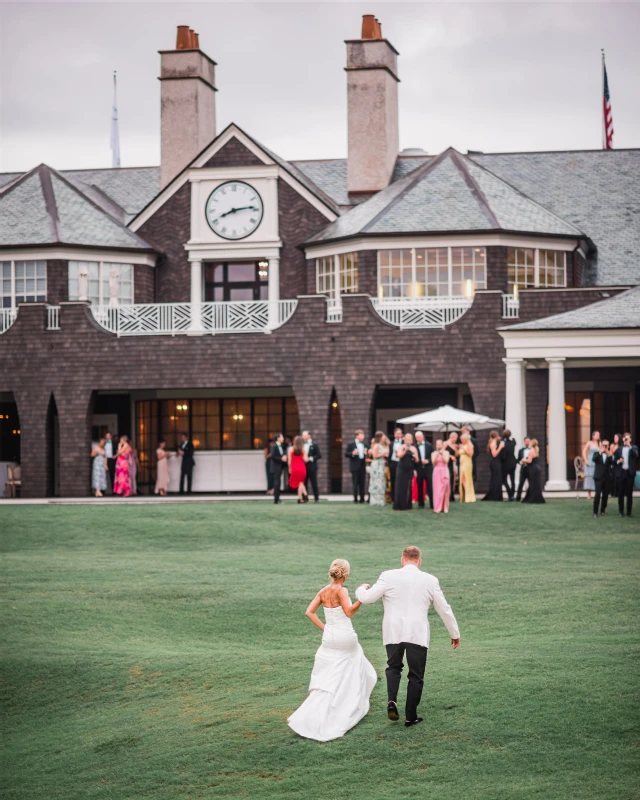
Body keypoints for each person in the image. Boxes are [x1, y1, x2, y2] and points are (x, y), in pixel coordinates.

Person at [356, 546, 460, 728]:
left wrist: (361, 588)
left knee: (393, 667)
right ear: (419, 561)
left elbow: (367, 598)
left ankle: (391, 701)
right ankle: (410, 716)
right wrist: (454, 633)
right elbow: (444, 609)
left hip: (393, 631)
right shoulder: (430, 580)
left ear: (402, 560)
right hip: (417, 633)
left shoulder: (388, 576)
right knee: (416, 675)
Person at [288, 559, 377, 742]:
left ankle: (325, 705)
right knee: (352, 666)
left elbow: (309, 612)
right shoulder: (341, 590)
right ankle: (346, 705)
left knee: (333, 671)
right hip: (345, 636)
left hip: (329, 637)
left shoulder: (323, 591)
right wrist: (362, 597)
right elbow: (349, 612)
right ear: (345, 574)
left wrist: (325, 628)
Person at [613, 433, 638, 518]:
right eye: (624, 438)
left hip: (630, 473)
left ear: (630, 439)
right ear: (623, 439)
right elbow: (614, 461)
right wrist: (618, 461)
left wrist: (629, 446)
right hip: (621, 473)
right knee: (620, 493)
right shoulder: (619, 449)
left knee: (629, 493)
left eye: (627, 439)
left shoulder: (634, 448)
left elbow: (637, 455)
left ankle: (629, 512)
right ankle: (621, 512)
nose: (625, 440)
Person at [393, 433, 419, 511]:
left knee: (408, 486)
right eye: (407, 439)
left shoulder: (414, 448)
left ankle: (407, 505)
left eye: (410, 440)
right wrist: (405, 450)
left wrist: (415, 457)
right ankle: (399, 505)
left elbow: (417, 461)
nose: (408, 441)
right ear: (404, 439)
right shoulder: (401, 447)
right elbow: (399, 456)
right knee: (400, 486)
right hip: (401, 468)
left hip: (409, 469)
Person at [592, 439, 613, 518]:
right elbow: (593, 459)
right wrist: (600, 452)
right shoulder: (597, 453)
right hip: (598, 477)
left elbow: (612, 463)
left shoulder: (609, 454)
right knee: (597, 495)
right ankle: (595, 512)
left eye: (606, 445)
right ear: (601, 445)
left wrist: (609, 454)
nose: (605, 447)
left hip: (607, 478)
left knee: (605, 495)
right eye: (603, 445)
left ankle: (603, 510)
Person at [345, 430, 368, 504]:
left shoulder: (365, 444)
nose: (363, 437)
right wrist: (352, 453)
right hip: (354, 466)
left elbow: (368, 455)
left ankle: (362, 499)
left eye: (363, 435)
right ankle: (355, 499)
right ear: (357, 436)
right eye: (361, 435)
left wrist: (366, 454)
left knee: (362, 483)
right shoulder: (351, 444)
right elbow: (346, 454)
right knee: (355, 483)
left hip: (362, 465)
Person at [482, 431, 504, 501]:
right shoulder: (493, 443)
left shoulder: (494, 442)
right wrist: (500, 447)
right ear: (496, 435)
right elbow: (494, 454)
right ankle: (494, 495)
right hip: (495, 462)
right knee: (496, 478)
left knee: (497, 478)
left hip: (496, 462)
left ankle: (496, 495)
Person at [369, 431, 389, 507]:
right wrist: (383, 453)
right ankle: (375, 501)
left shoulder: (382, 445)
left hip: (381, 464)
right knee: (376, 482)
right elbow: (375, 456)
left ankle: (380, 500)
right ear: (380, 438)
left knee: (381, 482)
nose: (384, 438)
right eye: (383, 437)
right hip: (376, 465)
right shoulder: (376, 445)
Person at [414, 431, 434, 509]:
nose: (418, 439)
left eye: (419, 437)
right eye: (416, 437)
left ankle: (432, 504)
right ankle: (421, 504)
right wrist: (414, 470)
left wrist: (428, 461)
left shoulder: (429, 445)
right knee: (419, 486)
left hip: (428, 469)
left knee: (430, 487)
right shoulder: (414, 446)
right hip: (419, 469)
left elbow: (433, 456)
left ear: (423, 437)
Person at [522, 439, 545, 504]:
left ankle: (533, 499)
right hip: (536, 469)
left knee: (533, 484)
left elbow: (529, 461)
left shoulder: (531, 451)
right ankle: (536, 498)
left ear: (531, 444)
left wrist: (523, 459)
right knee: (535, 484)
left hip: (533, 469)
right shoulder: (535, 450)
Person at [431, 440, 451, 514]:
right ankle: (437, 507)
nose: (438, 446)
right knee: (437, 490)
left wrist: (442, 454)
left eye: (440, 444)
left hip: (444, 470)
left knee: (445, 489)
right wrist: (437, 455)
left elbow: (446, 461)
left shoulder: (446, 452)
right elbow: (433, 462)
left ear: (442, 445)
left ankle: (445, 507)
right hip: (437, 471)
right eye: (437, 445)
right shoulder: (433, 453)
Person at [302, 430, 322, 502]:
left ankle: (316, 498)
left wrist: (310, 458)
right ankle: (304, 498)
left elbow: (319, 455)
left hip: (312, 466)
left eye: (304, 435)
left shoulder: (314, 444)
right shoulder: (302, 444)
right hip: (303, 467)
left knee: (314, 483)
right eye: (303, 435)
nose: (303, 437)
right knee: (304, 483)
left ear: (309, 436)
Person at [289, 435, 309, 503]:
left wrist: (289, 468)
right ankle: (301, 497)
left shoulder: (291, 449)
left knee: (299, 483)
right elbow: (306, 460)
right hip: (302, 467)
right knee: (301, 482)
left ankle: (303, 496)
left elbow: (289, 460)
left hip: (294, 467)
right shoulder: (303, 450)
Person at [582, 431, 601, 500]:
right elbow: (584, 451)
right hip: (590, 461)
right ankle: (589, 493)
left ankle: (597, 492)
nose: (598, 436)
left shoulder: (600, 443)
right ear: (593, 436)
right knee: (590, 477)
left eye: (599, 435)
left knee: (597, 477)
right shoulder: (589, 443)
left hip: (597, 462)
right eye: (597, 435)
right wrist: (585, 460)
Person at [458, 432, 476, 503]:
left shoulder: (470, 445)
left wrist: (464, 449)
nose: (461, 440)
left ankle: (469, 496)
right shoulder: (462, 445)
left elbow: (470, 454)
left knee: (467, 479)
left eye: (462, 439)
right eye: (461, 439)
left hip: (467, 463)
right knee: (461, 479)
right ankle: (463, 496)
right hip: (462, 463)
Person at [501, 429, 517, 501]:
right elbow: (513, 440)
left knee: (504, 479)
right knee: (512, 479)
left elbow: (503, 455)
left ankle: (510, 493)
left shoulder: (503, 443)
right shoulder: (513, 442)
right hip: (513, 463)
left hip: (506, 464)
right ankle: (512, 495)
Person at [388, 428, 404, 500]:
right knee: (393, 480)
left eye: (399, 433)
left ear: (401, 434)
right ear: (394, 434)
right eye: (396, 433)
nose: (398, 435)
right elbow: (389, 454)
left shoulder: (404, 443)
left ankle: (401, 497)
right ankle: (393, 498)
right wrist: (389, 464)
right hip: (393, 463)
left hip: (401, 462)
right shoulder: (391, 443)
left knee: (401, 480)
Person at [270, 433, 286, 504]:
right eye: (282, 437)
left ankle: (277, 498)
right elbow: (273, 456)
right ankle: (276, 499)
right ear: (278, 438)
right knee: (277, 483)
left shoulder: (281, 446)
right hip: (276, 467)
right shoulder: (274, 446)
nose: (283, 438)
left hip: (279, 467)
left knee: (278, 483)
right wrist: (281, 459)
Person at [515, 436, 532, 502]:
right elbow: (518, 459)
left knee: (531, 483)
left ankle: (529, 496)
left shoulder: (532, 450)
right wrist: (520, 462)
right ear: (524, 442)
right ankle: (518, 498)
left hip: (530, 469)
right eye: (526, 441)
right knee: (521, 484)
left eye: (528, 441)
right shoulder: (521, 450)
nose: (527, 442)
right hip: (523, 469)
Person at [445, 432, 459, 502]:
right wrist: (450, 456)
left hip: (452, 464)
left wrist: (457, 449)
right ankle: (446, 495)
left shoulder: (454, 445)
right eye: (456, 438)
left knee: (452, 479)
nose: (456, 440)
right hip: (446, 463)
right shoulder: (445, 443)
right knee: (447, 478)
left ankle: (451, 495)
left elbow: (456, 455)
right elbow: (442, 452)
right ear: (452, 437)